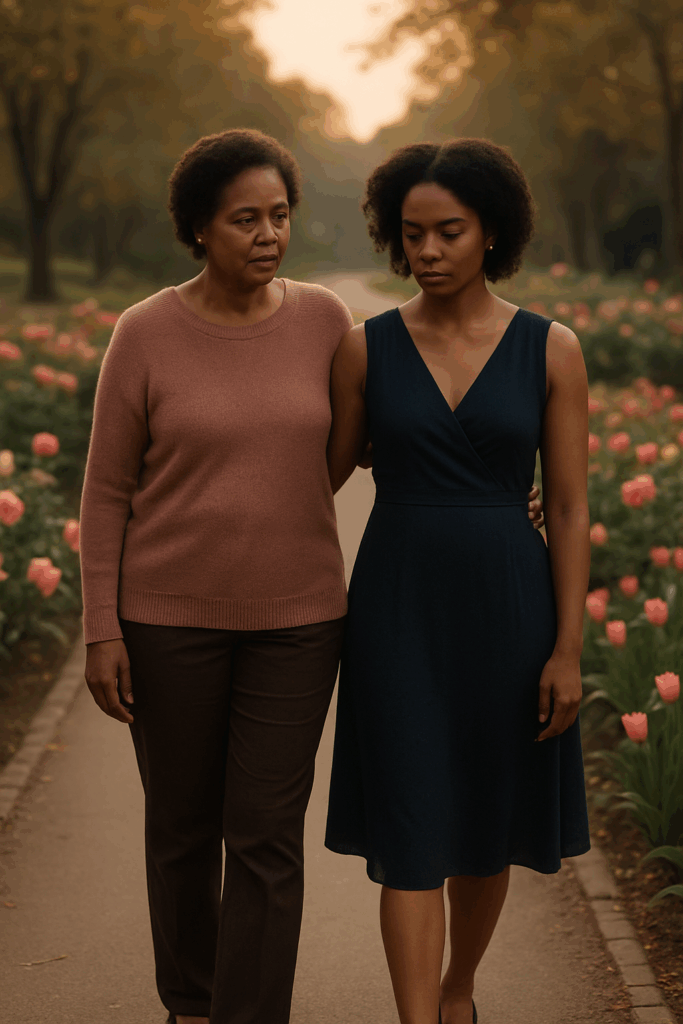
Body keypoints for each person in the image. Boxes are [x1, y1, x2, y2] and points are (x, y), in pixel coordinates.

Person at [79, 128, 545, 1024]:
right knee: (182, 828)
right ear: (198, 231)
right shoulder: (143, 334)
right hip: (166, 618)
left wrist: (500, 500)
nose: (267, 234)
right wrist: (103, 626)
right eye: (244, 219)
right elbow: (104, 495)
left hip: (298, 620)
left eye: (280, 215)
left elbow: (383, 441)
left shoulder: (326, 324)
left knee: (264, 837)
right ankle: (190, 1002)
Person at [324, 138, 591, 1024]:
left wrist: (565, 649)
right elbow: (318, 471)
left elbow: (569, 506)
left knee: (485, 827)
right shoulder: (364, 349)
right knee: (409, 833)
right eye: (412, 235)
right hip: (396, 610)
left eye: (448, 232)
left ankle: (458, 992)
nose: (427, 251)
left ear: (491, 234)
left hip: (510, 611)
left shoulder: (552, 350)